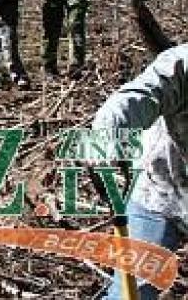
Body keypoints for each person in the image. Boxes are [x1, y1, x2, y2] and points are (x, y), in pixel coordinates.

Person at [91, 44, 188, 300]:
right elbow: (135, 99)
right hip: (161, 192)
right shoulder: (181, 64)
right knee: (132, 291)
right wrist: (106, 139)